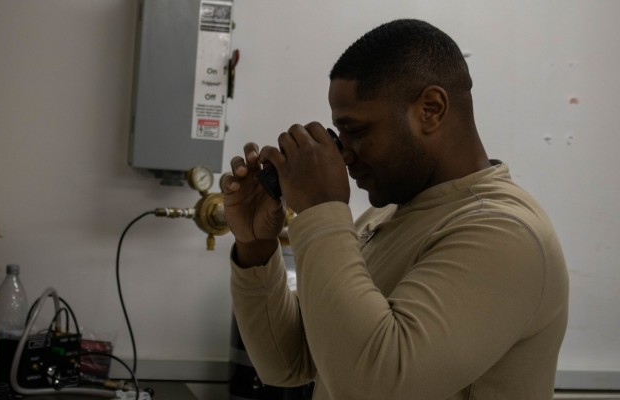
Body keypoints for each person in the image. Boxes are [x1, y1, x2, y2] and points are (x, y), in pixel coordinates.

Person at [221, 19, 569, 400]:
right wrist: (256, 247)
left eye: (356, 131)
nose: (346, 153)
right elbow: (288, 363)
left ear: (431, 110)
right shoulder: (385, 217)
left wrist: (321, 207)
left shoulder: (504, 233)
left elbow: (372, 385)